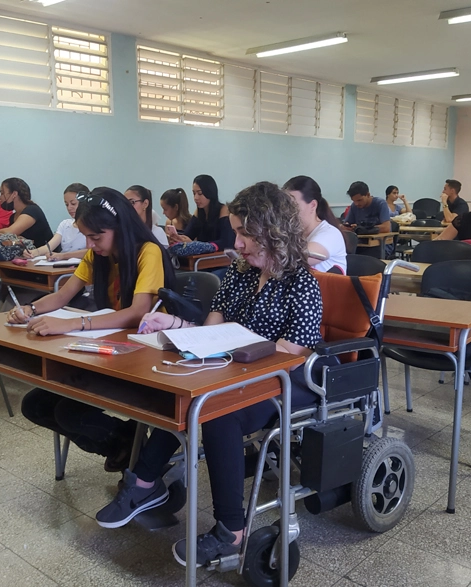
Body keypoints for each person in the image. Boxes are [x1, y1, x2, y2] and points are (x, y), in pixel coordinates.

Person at [95, 181, 329, 569]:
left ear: (272, 232)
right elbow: (211, 327)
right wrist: (173, 324)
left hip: (290, 381)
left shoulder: (302, 284)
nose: (236, 242)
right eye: (236, 231)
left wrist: (235, 349)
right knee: (182, 394)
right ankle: (144, 484)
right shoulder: (237, 275)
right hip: (235, 371)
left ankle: (232, 532)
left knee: (216, 411)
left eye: (244, 233)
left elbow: (293, 352)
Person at [14, 187, 176, 470]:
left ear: (119, 228)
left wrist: (73, 323)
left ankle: (129, 449)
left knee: (69, 412)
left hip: (147, 354)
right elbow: (62, 295)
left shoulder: (147, 251)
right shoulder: (98, 254)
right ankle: (123, 444)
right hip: (112, 347)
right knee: (34, 406)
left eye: (96, 237)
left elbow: (138, 312)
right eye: (87, 236)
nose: (90, 244)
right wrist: (30, 310)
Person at [284, 175, 347, 274]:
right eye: (284, 206)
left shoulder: (330, 234)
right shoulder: (292, 234)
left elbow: (297, 259)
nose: (287, 211)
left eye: (292, 206)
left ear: (313, 205)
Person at [23, 183, 90, 260]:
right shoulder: (65, 224)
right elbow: (50, 246)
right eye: (66, 204)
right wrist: (34, 252)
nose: (69, 208)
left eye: (73, 204)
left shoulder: (93, 226)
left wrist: (63, 256)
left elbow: (90, 252)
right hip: (62, 267)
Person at [167, 174, 234, 250]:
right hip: (202, 258)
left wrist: (196, 245)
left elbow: (226, 242)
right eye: (194, 193)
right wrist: (179, 239)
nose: (195, 198)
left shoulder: (223, 210)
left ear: (210, 192)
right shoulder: (199, 212)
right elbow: (188, 235)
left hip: (219, 258)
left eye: (200, 193)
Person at [0, 177, 54, 248]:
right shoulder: (13, 217)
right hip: (29, 256)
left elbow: (10, 232)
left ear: (14, 194)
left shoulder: (32, 210)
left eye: (2, 193)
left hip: (47, 256)